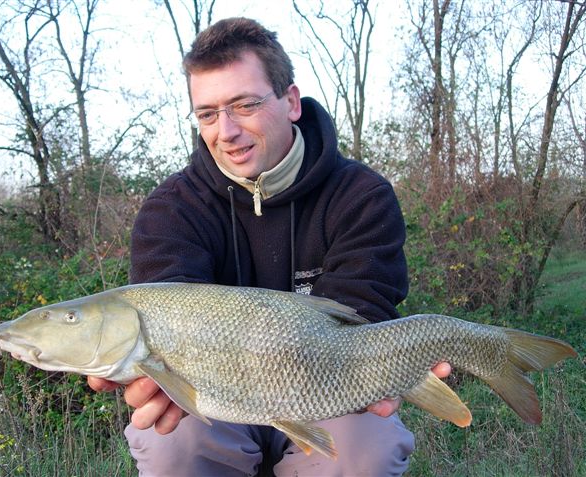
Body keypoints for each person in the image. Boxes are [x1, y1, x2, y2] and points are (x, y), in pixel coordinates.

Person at [89, 17, 450, 476]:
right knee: (170, 444)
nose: (226, 131)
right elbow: (165, 318)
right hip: (215, 395)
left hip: (326, 385)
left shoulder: (361, 195)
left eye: (244, 105)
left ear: (291, 102)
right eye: (207, 114)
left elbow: (364, 315)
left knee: (367, 447)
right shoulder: (171, 208)